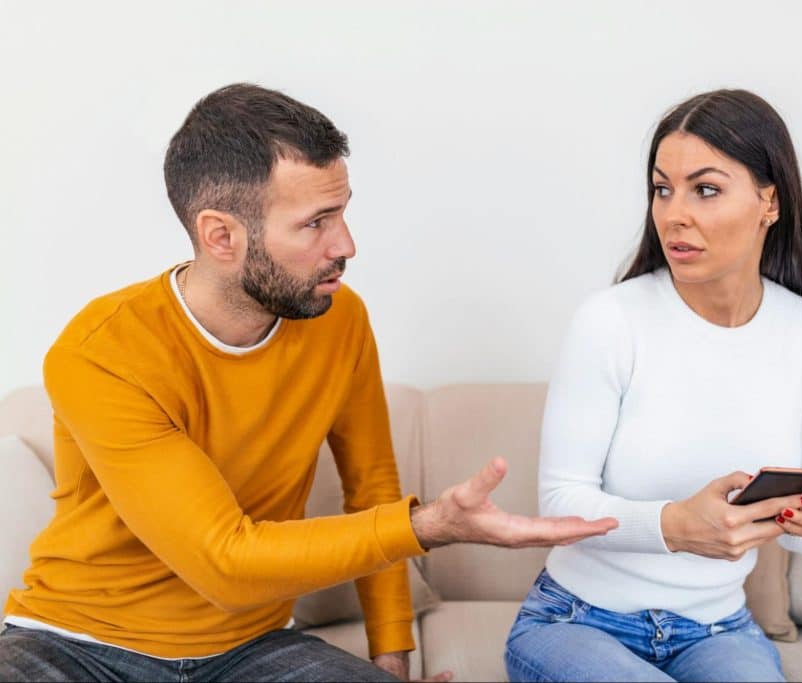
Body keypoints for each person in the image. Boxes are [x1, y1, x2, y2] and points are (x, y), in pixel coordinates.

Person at [0, 83, 618, 683]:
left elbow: (371, 486)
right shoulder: (103, 351)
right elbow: (224, 564)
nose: (346, 244)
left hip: (252, 650)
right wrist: (428, 525)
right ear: (222, 237)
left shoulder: (340, 318)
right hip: (74, 645)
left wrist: (392, 657)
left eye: (343, 212)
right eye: (316, 222)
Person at [504, 89, 802, 682]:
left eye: (705, 189)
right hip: (576, 621)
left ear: (770, 201)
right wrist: (677, 527)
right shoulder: (610, 320)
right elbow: (560, 503)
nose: (673, 213)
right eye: (663, 189)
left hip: (719, 630)